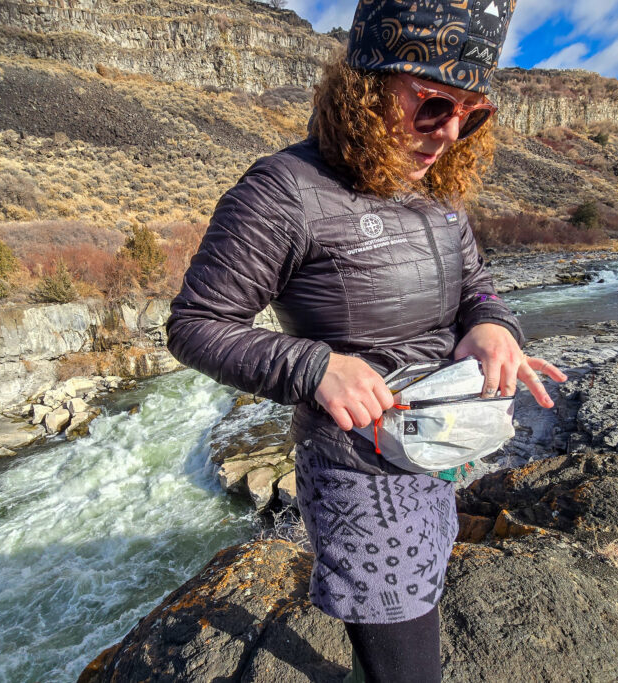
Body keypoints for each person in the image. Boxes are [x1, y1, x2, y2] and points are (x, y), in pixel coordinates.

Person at [166, 1, 566, 680]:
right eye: (434, 105)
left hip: (435, 455)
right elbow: (195, 324)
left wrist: (495, 327)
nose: (449, 133)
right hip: (357, 478)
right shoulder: (282, 191)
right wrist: (315, 365)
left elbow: (478, 285)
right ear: (365, 87)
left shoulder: (437, 192)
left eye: (472, 115)